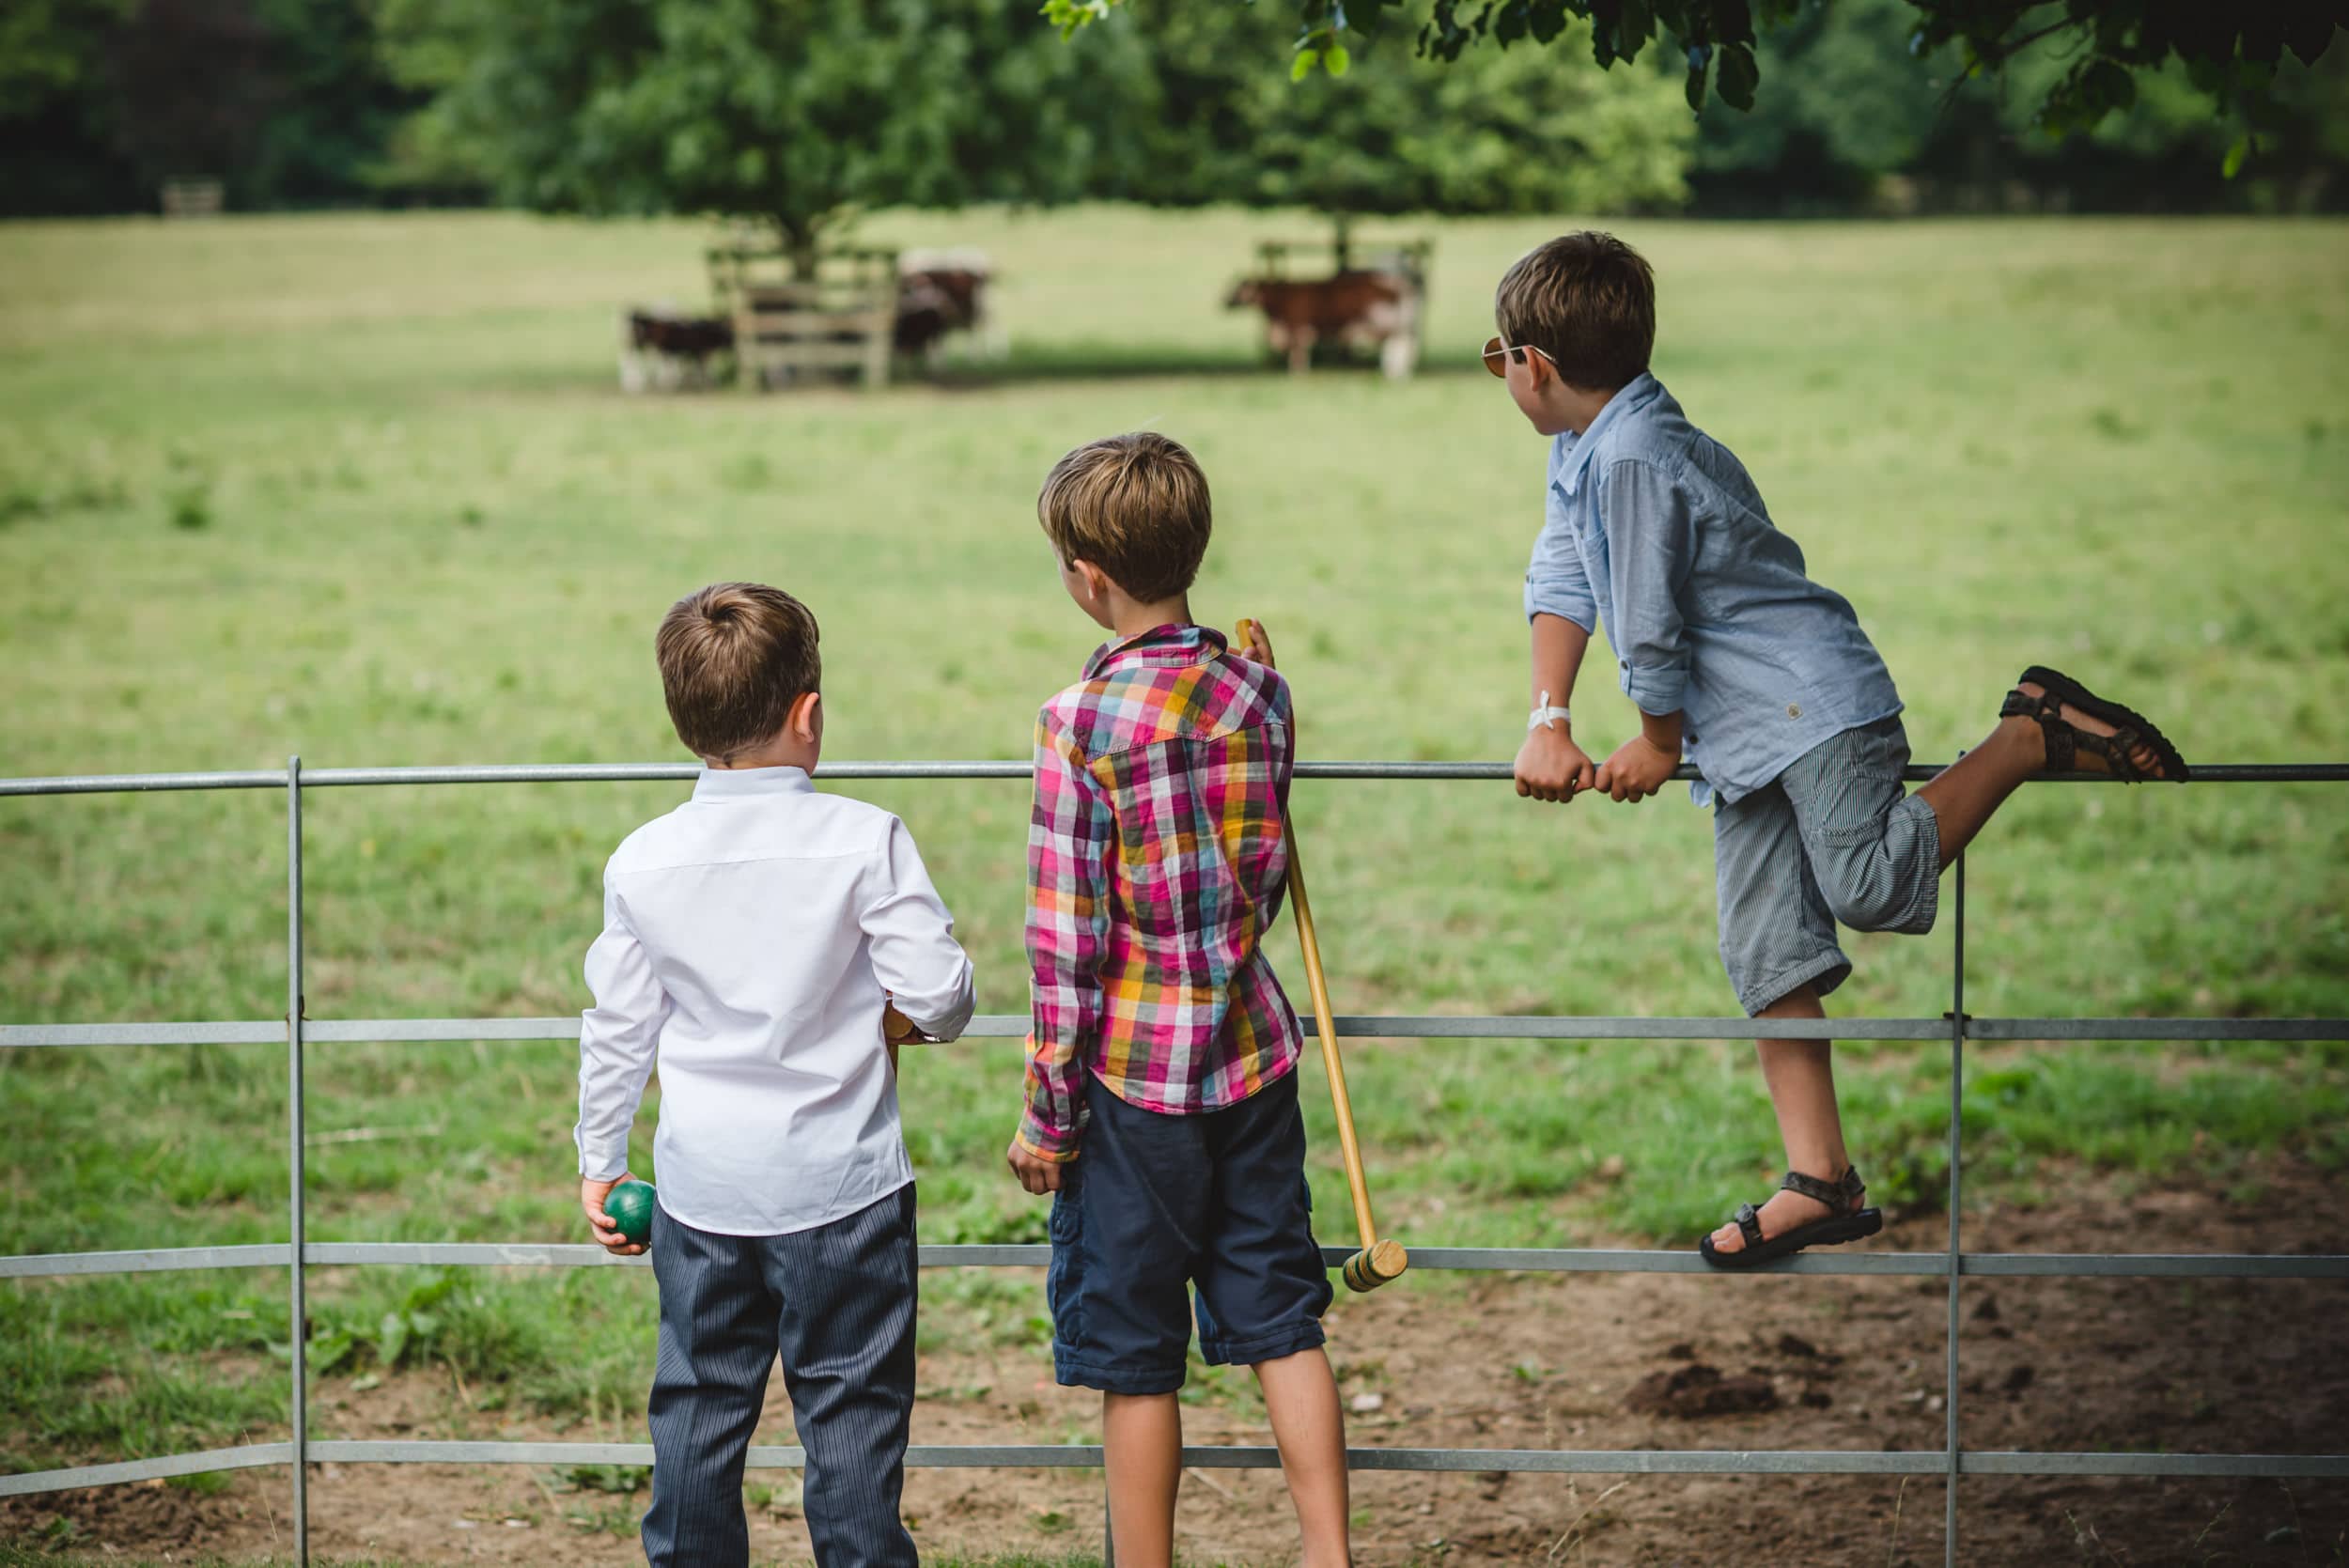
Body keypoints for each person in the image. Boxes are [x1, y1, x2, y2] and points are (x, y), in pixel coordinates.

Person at [1490, 233, 2187, 1268]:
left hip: (1806, 707)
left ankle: (2025, 733)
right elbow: (1563, 573)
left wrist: (1651, 742)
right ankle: (1820, 1178)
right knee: (1765, 952)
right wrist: (1548, 717)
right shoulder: (1585, 443)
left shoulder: (1635, 457)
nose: (1498, 372)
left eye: (1496, 353)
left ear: (1535, 364)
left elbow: (1644, 623)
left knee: (1864, 880)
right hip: (1745, 739)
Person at [573, 581, 975, 1566]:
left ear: (684, 724)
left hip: (702, 1193)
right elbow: (942, 996)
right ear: (810, 714)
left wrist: (598, 1156)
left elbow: (619, 1025)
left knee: (699, 1415)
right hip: (845, 1189)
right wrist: (895, 1012)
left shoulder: (644, 860)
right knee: (850, 1423)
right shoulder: (863, 836)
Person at [1004, 433, 1353, 1568]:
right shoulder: (1262, 689)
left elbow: (1066, 943)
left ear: (1086, 579)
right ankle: (1326, 1547)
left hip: (1132, 1086)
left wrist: (1046, 1115)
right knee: (1279, 1319)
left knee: (1134, 1351)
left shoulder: (1079, 724)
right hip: (1253, 1051)